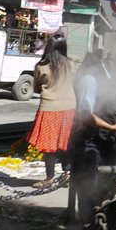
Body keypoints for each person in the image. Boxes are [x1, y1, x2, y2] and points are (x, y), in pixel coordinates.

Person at [69, 44, 116, 229]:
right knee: (89, 188)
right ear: (111, 61)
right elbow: (84, 114)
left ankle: (102, 219)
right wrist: (111, 127)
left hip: (109, 142)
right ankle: (87, 225)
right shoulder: (92, 78)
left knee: (108, 187)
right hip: (89, 143)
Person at [27, 35, 77, 189]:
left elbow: (36, 88)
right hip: (69, 108)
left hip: (49, 109)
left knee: (49, 147)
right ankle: (67, 173)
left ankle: (49, 178)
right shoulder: (72, 63)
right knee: (64, 143)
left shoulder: (41, 66)